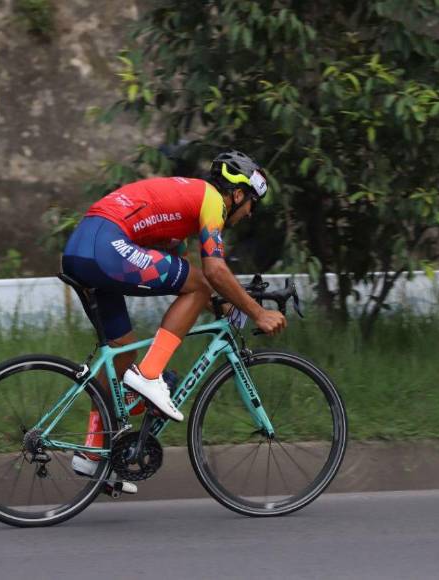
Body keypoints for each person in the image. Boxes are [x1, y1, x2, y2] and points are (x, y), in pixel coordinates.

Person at [62, 149, 287, 492]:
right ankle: (151, 376)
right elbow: (210, 271)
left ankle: (93, 455)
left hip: (82, 247)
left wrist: (224, 305)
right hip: (104, 245)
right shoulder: (212, 200)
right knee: (196, 284)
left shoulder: (182, 210)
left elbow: (181, 269)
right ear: (238, 194)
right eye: (251, 204)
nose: (250, 213)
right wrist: (258, 312)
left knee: (121, 354)